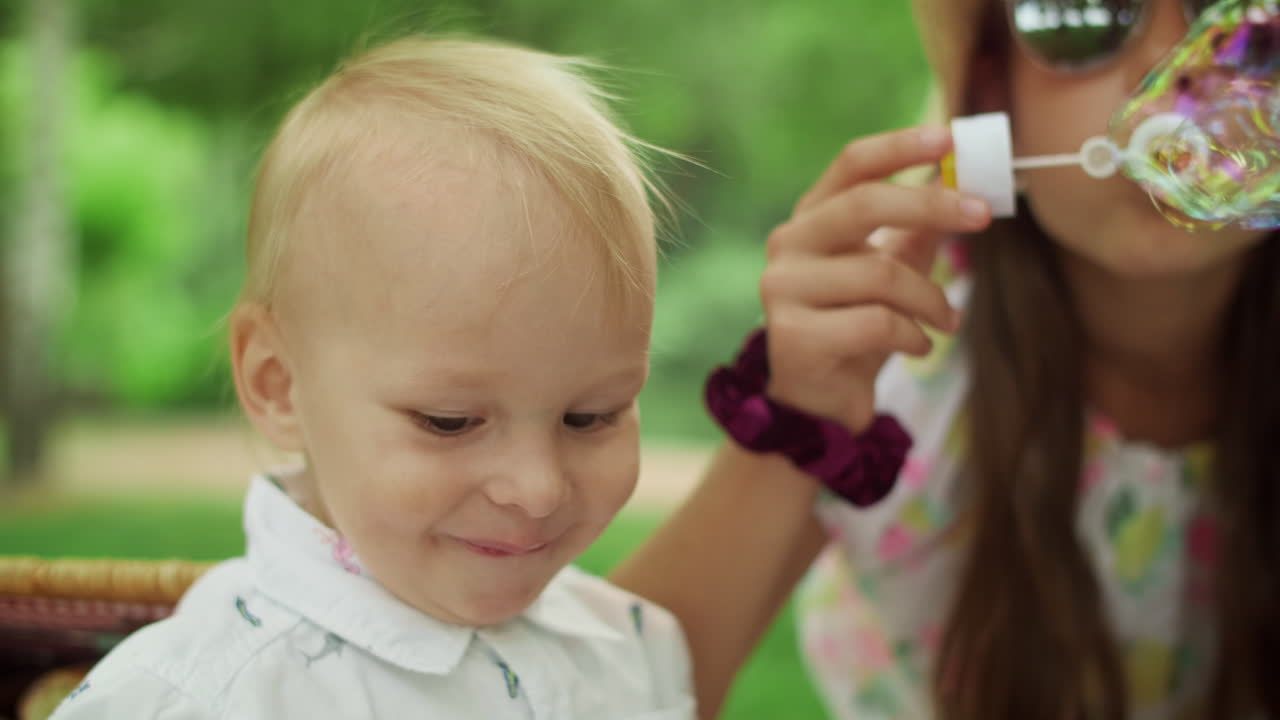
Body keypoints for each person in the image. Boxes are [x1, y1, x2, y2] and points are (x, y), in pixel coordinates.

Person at [611, 0, 1279, 718]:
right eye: (1083, 13)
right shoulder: (900, 375)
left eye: (1235, 19)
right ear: (991, 96)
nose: (1165, 71)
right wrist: (799, 414)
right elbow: (604, 696)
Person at [51, 35, 694, 720]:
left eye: (591, 415)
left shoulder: (634, 650)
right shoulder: (198, 698)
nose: (538, 488)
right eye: (450, 421)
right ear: (278, 385)